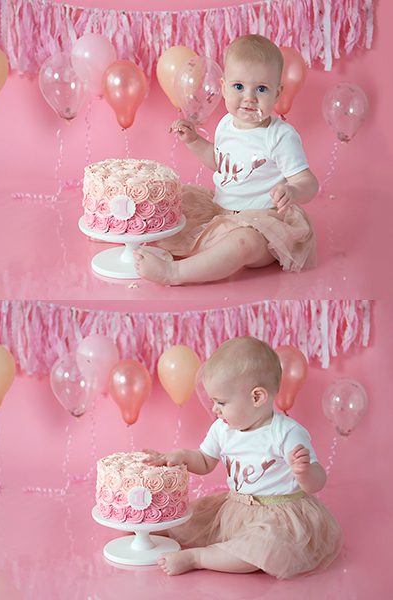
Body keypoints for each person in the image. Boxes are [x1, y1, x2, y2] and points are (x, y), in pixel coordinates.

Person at [144, 336, 341, 578]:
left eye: (221, 402)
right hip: (235, 509)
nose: (215, 409)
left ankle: (199, 557)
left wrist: (304, 473)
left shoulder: (286, 433)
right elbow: (205, 461)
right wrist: (183, 456)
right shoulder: (222, 429)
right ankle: (147, 531)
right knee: (191, 520)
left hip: (279, 515)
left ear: (257, 397)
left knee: (265, 548)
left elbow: (317, 482)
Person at [134, 34, 318, 285]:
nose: (249, 98)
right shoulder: (226, 125)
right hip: (220, 212)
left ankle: (174, 273)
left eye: (261, 89)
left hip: (263, 223)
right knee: (174, 205)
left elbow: (308, 182)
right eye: (239, 87)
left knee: (244, 243)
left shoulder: (280, 136)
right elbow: (219, 161)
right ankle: (131, 240)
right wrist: (194, 141)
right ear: (223, 87)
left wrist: (293, 190)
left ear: (277, 93)